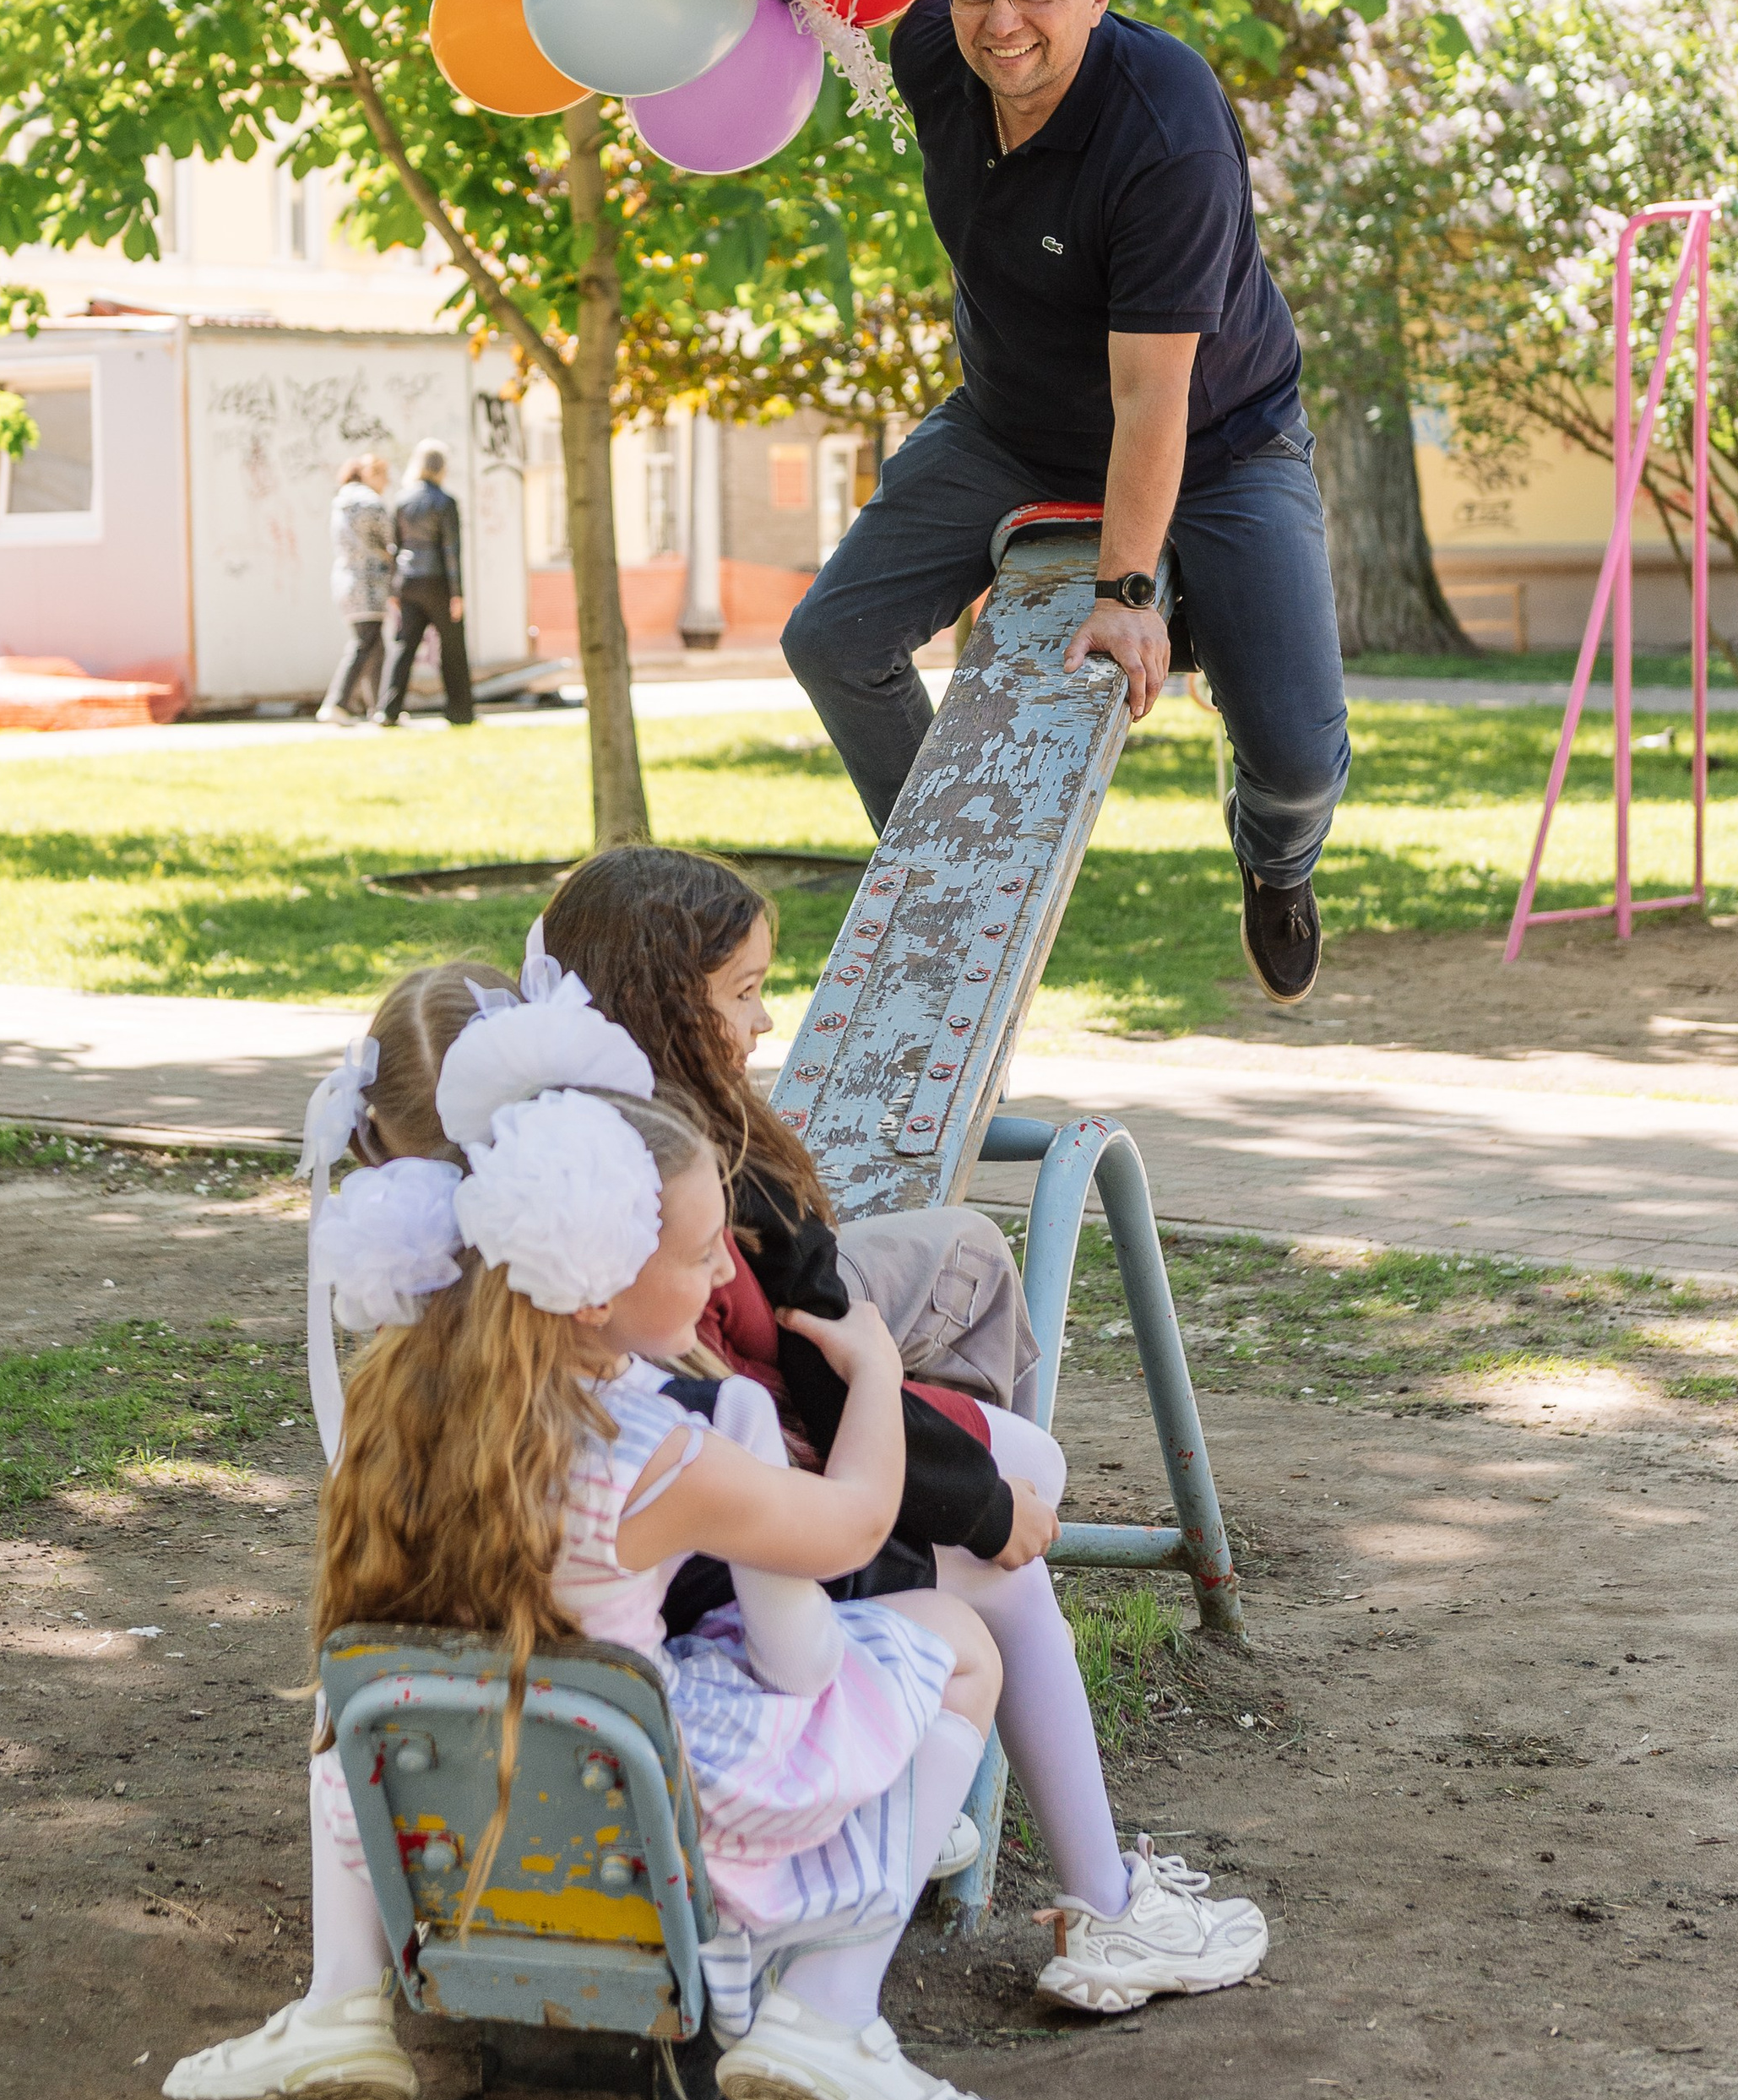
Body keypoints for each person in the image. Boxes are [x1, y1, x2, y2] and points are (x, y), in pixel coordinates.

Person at [167, 999, 1027, 2100]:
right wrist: (873, 1372)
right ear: (596, 1279)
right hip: (625, 1816)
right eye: (696, 1253)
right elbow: (841, 1563)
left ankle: (340, 2005)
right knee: (950, 1646)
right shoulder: (661, 1448)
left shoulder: (394, 1402)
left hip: (437, 1819)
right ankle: (833, 2017)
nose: (724, 1270)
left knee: (348, 1688)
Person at [539, 845, 1266, 2012]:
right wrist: (983, 1509)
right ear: (670, 1001)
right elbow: (819, 1398)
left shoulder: (556, 1144)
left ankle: (951, 1824)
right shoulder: (696, 1173)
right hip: (706, 1573)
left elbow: (772, 1386)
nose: (765, 1021)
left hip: (649, 1543)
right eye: (743, 993)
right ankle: (1104, 1912)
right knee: (1003, 1567)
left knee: (1020, 1473)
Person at [782, 0, 1350, 1007]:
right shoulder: (932, 58)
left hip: (1219, 436)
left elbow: (1153, 400)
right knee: (831, 638)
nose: (1001, 22)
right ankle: (945, 886)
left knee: (1294, 755)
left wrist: (1128, 590)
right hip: (1010, 426)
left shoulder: (1165, 129)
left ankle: (1276, 861)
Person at [377, 438, 475, 730]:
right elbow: (450, 551)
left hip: (408, 582)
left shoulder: (403, 500)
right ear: (442, 468)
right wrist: (457, 594)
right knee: (453, 647)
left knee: (403, 647)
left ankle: (387, 710)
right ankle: (460, 712)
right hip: (438, 583)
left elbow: (395, 546)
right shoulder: (445, 502)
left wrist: (394, 588)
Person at [318, 453, 394, 724]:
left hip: (345, 580)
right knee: (365, 642)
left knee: (374, 644)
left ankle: (379, 707)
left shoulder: (341, 503)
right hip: (369, 582)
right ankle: (337, 703)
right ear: (369, 474)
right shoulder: (372, 503)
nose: (387, 481)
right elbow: (390, 540)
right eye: (383, 474)